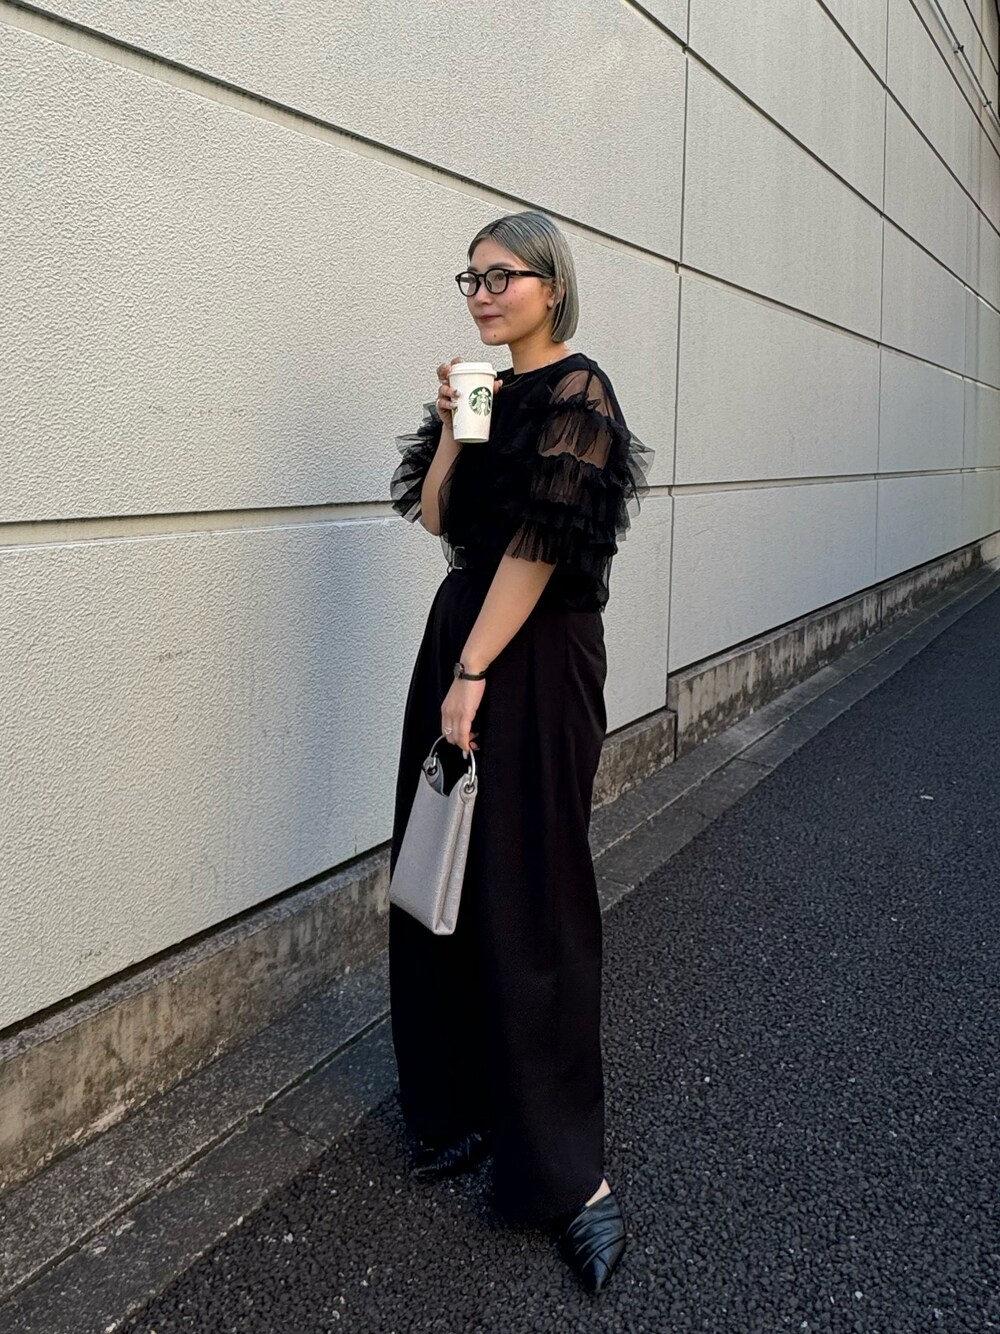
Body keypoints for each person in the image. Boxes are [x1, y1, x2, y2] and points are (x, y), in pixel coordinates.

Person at [387, 210, 651, 1294]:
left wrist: (473, 673)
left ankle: (572, 1175)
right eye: (472, 278)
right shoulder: (490, 391)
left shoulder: (581, 394)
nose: (483, 293)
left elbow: (539, 547)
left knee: (534, 891)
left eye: (503, 276)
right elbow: (439, 520)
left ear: (552, 285)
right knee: (442, 872)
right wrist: (457, 429)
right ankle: (459, 1106)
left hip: (529, 658)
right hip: (464, 639)